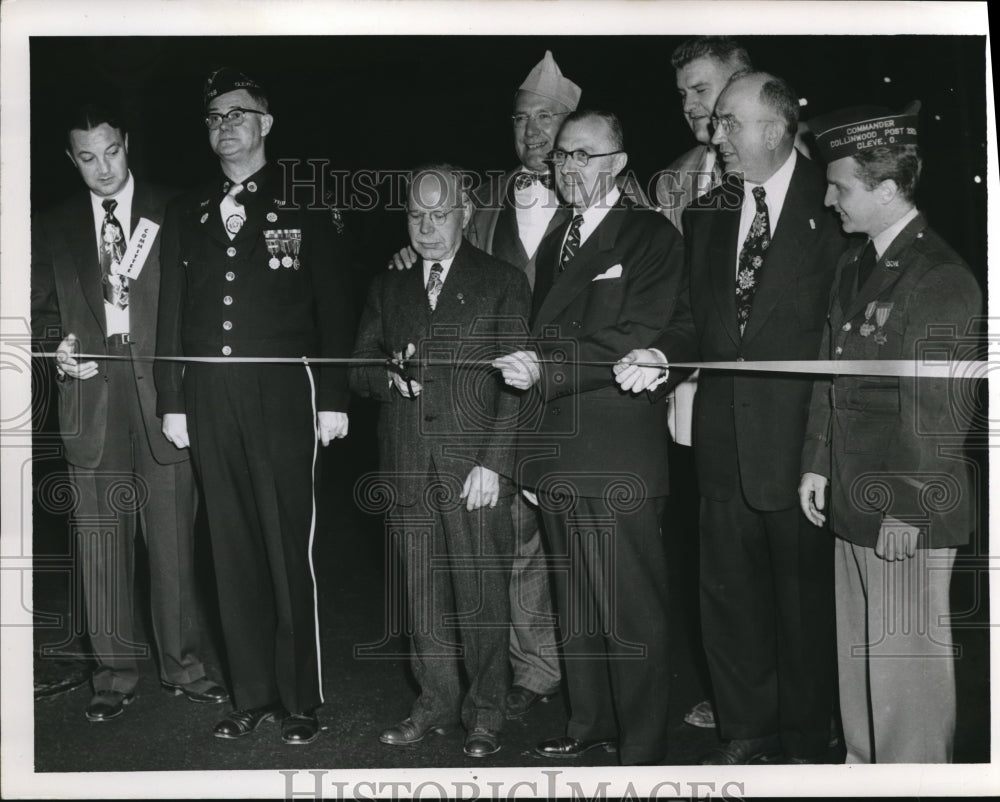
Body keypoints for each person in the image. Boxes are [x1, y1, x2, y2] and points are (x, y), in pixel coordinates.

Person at [615, 72, 846, 764]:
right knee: (730, 602)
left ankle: (808, 737)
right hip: (720, 445)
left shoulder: (833, 203)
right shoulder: (709, 211)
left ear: (774, 130)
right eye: (715, 124)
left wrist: (828, 448)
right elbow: (693, 320)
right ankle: (745, 731)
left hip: (800, 446)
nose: (717, 138)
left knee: (804, 609)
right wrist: (662, 352)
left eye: (729, 124)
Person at [154, 67, 353, 745]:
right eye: (213, 116)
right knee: (229, 545)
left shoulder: (304, 200)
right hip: (210, 394)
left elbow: (333, 304)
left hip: (282, 392)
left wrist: (332, 395)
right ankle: (252, 694)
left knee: (283, 542)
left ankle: (301, 697)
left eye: (237, 115)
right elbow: (172, 314)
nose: (224, 126)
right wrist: (172, 398)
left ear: (266, 124)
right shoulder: (188, 210)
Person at [389, 50, 579, 719]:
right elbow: (443, 239)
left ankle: (573, 680)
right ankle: (528, 673)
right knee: (508, 541)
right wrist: (418, 252)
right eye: (523, 119)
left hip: (576, 398)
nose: (535, 132)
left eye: (550, 118)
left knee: (569, 544)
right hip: (488, 400)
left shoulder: (609, 199)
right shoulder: (488, 197)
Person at [494, 109, 684, 766]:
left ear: (618, 164)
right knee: (576, 604)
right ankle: (589, 725)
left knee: (631, 610)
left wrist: (545, 369)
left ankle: (642, 747)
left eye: (584, 154)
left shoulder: (650, 236)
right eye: (563, 156)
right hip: (557, 454)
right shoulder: (555, 239)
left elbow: (635, 335)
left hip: (616, 453)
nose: (568, 166)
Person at [31, 100, 227, 722]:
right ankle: (112, 673)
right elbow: (37, 313)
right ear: (71, 160)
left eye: (111, 152)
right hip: (90, 401)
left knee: (172, 540)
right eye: (87, 158)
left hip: (164, 399)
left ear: (127, 143)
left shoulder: (176, 208)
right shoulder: (52, 224)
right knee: (99, 543)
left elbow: (203, 303)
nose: (103, 168)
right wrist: (54, 346)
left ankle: (185, 666)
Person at [799, 103, 981, 763]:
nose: (826, 197)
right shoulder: (856, 265)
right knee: (863, 667)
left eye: (839, 187)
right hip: (853, 495)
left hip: (904, 509)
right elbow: (831, 371)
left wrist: (905, 506)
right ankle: (862, 769)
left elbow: (940, 410)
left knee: (906, 683)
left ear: (885, 190)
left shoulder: (938, 278)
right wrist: (816, 462)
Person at [351, 165, 531, 758]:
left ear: (465, 216)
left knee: (481, 593)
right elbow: (358, 367)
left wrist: (496, 464)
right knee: (422, 593)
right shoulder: (388, 286)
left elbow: (519, 384)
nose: (426, 228)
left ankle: (486, 712)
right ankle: (433, 701)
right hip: (406, 462)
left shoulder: (502, 281)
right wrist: (387, 379)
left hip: (473, 469)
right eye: (416, 215)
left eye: (439, 215)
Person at [653, 34, 753, 732]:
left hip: (779, 396)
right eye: (683, 92)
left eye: (701, 87)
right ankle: (733, 695)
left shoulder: (801, 165)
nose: (690, 104)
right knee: (714, 555)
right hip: (694, 395)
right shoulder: (676, 180)